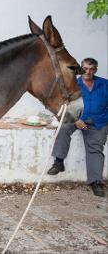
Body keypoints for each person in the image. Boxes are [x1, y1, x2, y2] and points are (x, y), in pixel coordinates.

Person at [47, 57, 108, 197]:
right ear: (81, 69)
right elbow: (63, 105)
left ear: (96, 70)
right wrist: (76, 119)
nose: (88, 72)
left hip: (98, 121)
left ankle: (96, 182)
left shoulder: (105, 84)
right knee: (63, 128)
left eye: (92, 69)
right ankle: (59, 162)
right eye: (85, 68)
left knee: (96, 149)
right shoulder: (72, 84)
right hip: (76, 118)